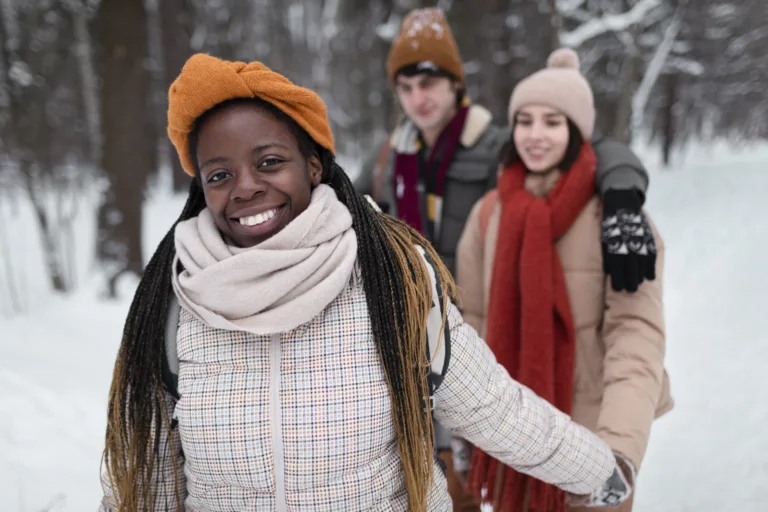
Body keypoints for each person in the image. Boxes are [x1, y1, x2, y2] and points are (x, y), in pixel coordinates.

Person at [97, 53, 628, 512]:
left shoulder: (389, 278)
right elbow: (141, 479)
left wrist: (599, 470)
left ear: (313, 167)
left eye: (269, 162)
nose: (246, 187)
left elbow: (493, 407)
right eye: (220, 174)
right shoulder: (173, 303)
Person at [353, 8, 657, 508]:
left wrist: (623, 192)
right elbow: (338, 203)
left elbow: (590, 148)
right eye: (405, 86)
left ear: (456, 84)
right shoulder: (390, 157)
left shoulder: (500, 145)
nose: (417, 98)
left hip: (486, 348)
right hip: (418, 354)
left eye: (428, 82)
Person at [456, 48, 674, 512]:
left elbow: (637, 336)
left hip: (590, 444)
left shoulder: (617, 221)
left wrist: (617, 453)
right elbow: (470, 330)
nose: (535, 135)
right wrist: (463, 427)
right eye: (525, 121)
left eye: (553, 122)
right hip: (512, 439)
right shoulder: (487, 215)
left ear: (577, 131)